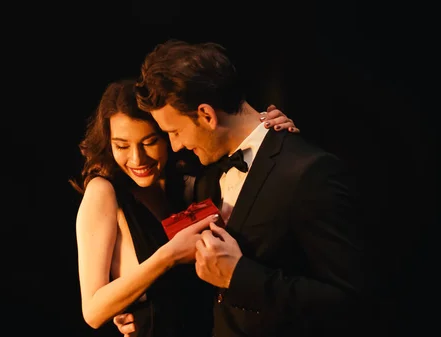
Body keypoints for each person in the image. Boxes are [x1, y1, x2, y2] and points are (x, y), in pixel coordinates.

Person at [113, 40, 366, 337]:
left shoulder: (309, 173)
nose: (176, 146)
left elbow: (353, 301)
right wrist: (147, 314)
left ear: (207, 115)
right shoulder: (205, 174)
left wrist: (240, 276)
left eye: (175, 132)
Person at [70, 78, 299, 337]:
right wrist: (169, 255)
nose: (136, 158)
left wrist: (272, 135)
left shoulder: (191, 183)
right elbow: (92, 312)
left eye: (149, 142)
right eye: (121, 146)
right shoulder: (103, 192)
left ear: (169, 135)